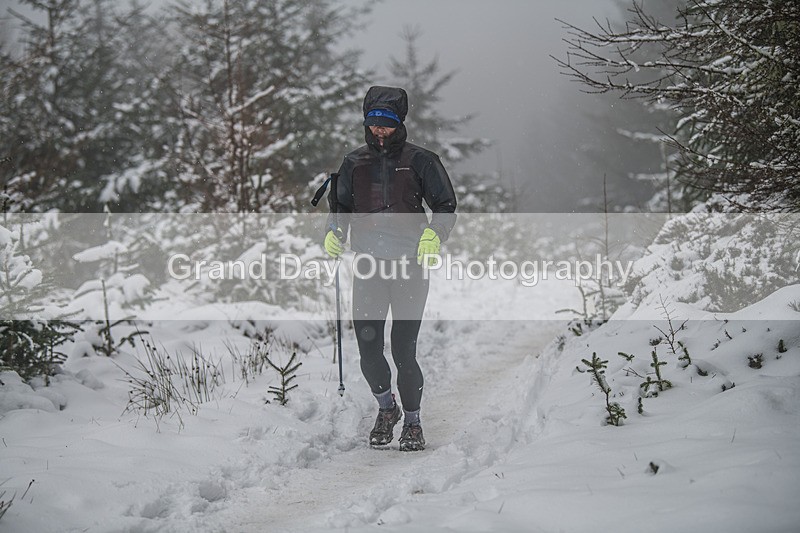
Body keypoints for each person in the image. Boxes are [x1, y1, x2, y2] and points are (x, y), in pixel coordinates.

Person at [324, 86, 457, 451]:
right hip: (368, 266)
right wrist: (333, 233)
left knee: (403, 350)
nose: (379, 131)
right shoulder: (354, 163)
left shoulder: (422, 161)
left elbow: (445, 205)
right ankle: (387, 408)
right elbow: (341, 209)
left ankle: (413, 422)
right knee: (368, 348)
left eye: (387, 124)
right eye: (374, 124)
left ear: (400, 124)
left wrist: (434, 234)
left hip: (410, 266)